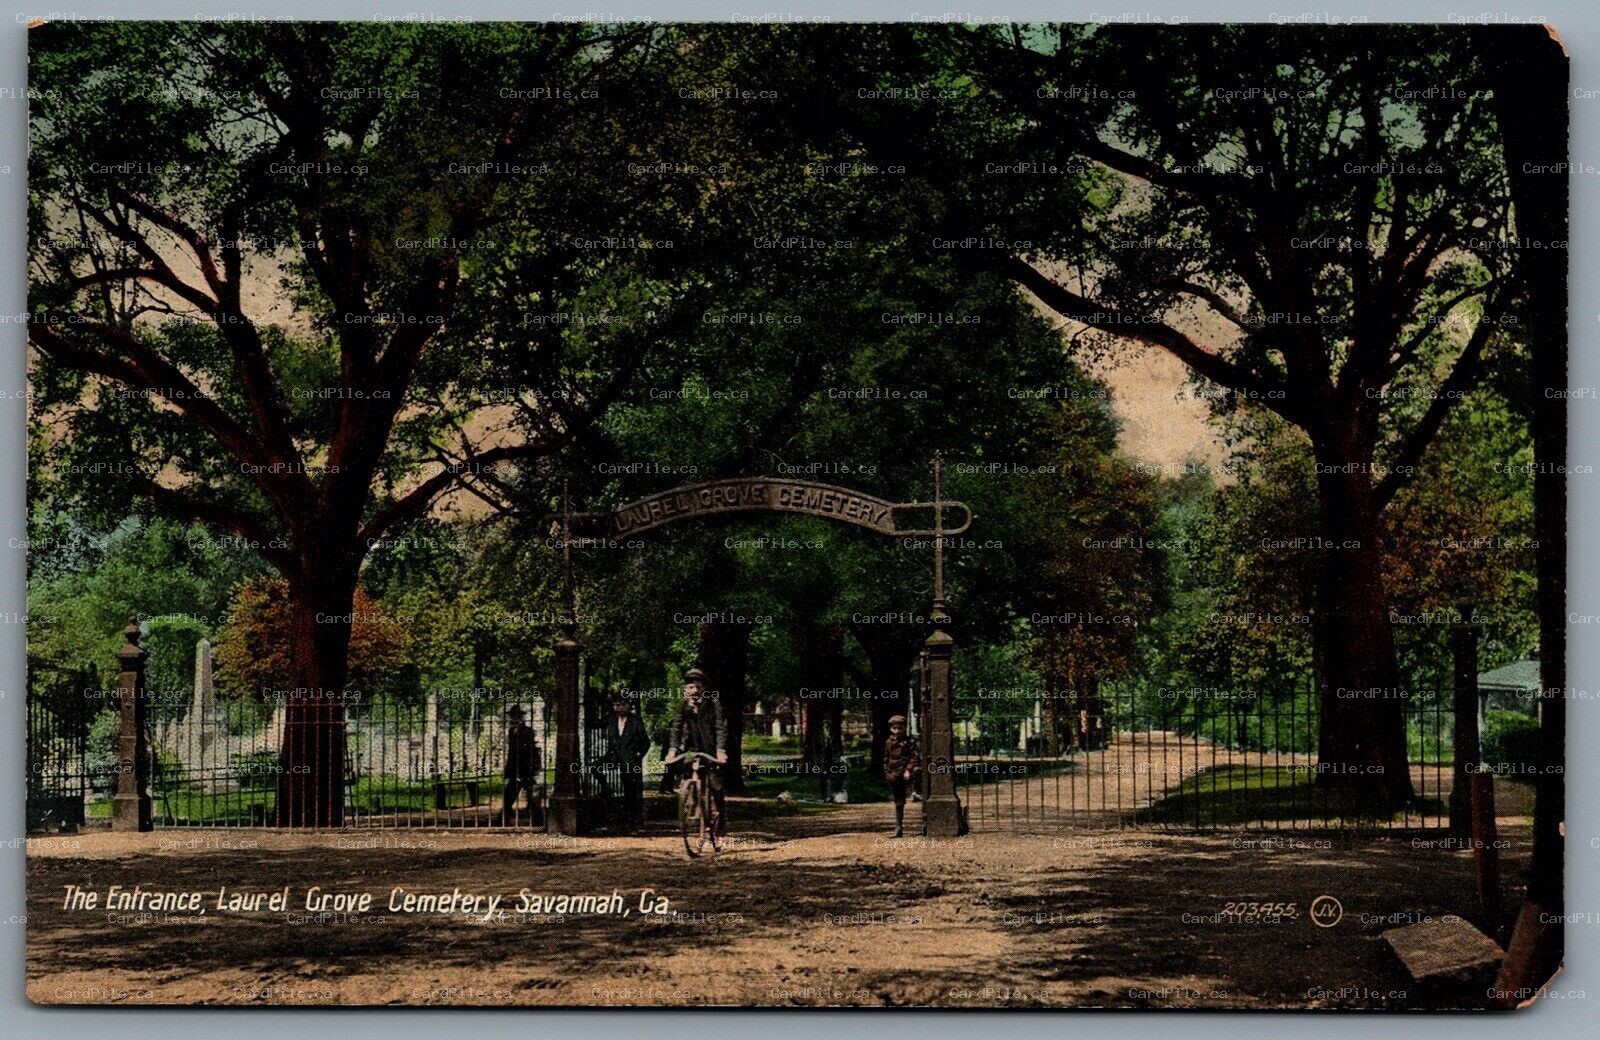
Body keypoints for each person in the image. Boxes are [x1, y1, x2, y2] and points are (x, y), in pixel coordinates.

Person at [663, 668, 727, 827]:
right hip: (692, 748)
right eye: (690, 687)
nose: (694, 691)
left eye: (698, 687)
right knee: (686, 771)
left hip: (711, 749)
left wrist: (720, 751)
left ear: (703, 688)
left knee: (715, 784)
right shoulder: (683, 705)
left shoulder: (713, 704)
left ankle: (720, 823)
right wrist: (672, 750)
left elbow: (720, 728)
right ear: (685, 689)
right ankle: (690, 798)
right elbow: (677, 729)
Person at [605, 693, 651, 831]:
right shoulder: (612, 722)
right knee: (625, 792)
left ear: (628, 706)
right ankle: (626, 821)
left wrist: (637, 756)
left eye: (622, 704)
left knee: (634, 792)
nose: (619, 707)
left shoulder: (635, 721)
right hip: (618, 760)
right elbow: (611, 743)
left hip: (632, 763)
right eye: (616, 705)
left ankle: (637, 823)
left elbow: (646, 742)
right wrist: (612, 757)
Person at [882, 714, 922, 838]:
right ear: (890, 729)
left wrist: (908, 770)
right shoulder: (888, 742)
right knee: (898, 801)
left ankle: (916, 792)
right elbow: (886, 758)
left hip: (905, 773)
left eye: (900, 728)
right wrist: (887, 771)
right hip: (893, 774)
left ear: (904, 728)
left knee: (909, 793)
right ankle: (898, 827)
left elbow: (914, 757)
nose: (897, 731)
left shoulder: (909, 742)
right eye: (894, 728)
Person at [502, 704, 543, 823]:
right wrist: (509, 767)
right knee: (510, 793)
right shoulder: (511, 731)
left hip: (526, 766)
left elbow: (529, 750)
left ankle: (537, 819)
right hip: (515, 767)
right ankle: (504, 817)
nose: (513, 719)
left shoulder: (528, 731)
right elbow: (511, 751)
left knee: (531, 794)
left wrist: (532, 766)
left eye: (516, 716)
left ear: (521, 718)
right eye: (512, 716)